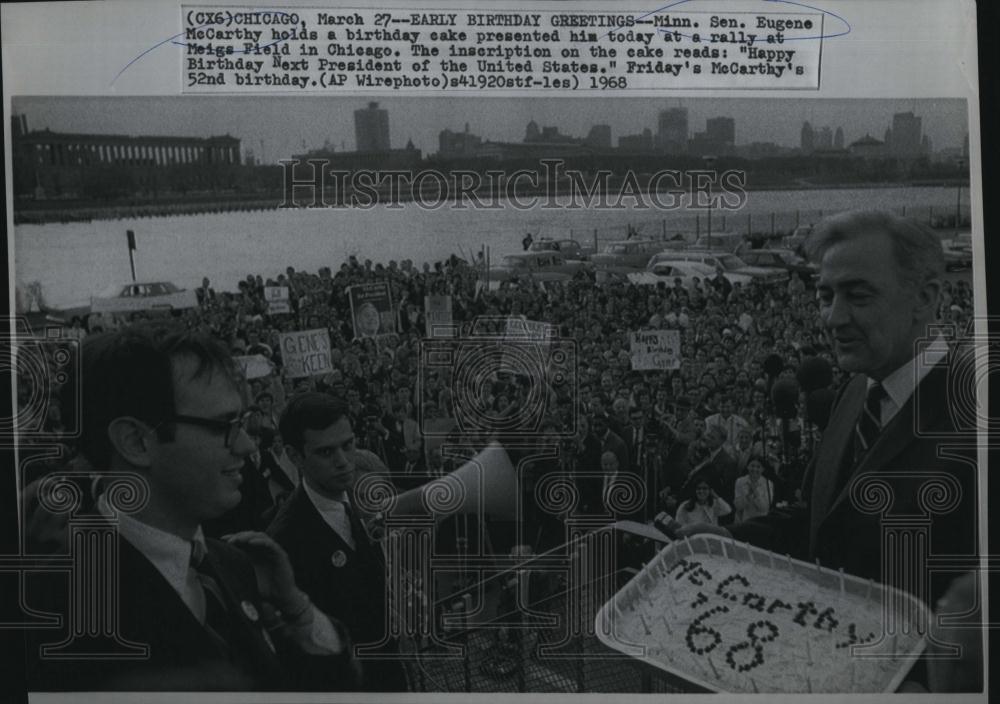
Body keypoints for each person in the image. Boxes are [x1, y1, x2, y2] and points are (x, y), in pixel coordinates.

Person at [680, 210, 981, 689]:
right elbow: (821, 521)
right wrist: (727, 540)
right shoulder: (855, 391)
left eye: (858, 296)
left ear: (925, 298)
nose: (833, 318)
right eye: (825, 296)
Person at [26, 326, 355, 691]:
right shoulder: (51, 607)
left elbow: (331, 686)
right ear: (136, 441)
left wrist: (295, 608)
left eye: (241, 423)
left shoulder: (235, 565)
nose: (246, 445)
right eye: (223, 426)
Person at [268, 393, 408, 692]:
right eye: (326, 452)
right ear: (294, 456)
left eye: (348, 445)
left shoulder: (357, 498)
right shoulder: (285, 540)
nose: (344, 462)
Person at [732, 455, 774, 523]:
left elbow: (764, 508)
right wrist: (748, 495)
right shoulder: (740, 481)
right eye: (752, 466)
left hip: (761, 521)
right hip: (743, 521)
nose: (754, 469)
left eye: (758, 467)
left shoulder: (768, 483)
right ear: (747, 467)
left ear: (763, 469)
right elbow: (738, 506)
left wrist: (755, 492)